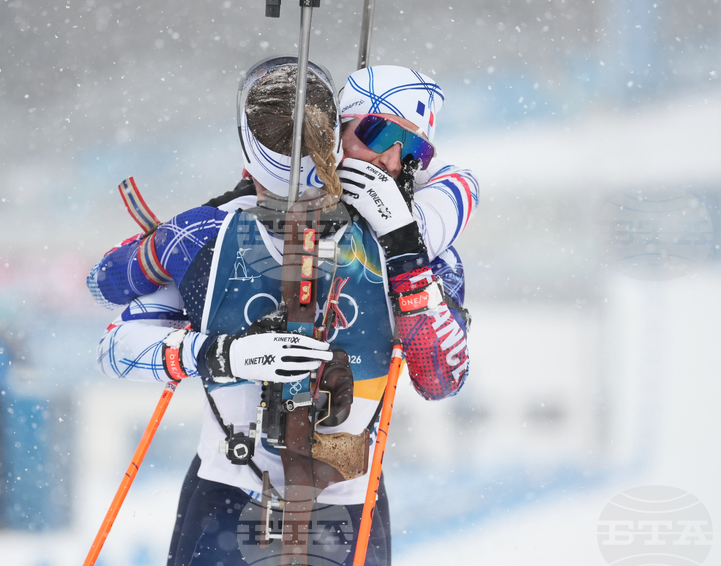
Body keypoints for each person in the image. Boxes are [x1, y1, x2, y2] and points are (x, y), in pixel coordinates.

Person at [87, 59, 478, 565]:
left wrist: (404, 248)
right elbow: (112, 336)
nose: (392, 161)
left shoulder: (421, 244)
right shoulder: (215, 232)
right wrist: (222, 355)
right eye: (378, 134)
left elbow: (442, 378)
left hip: (348, 506)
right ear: (336, 133)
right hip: (228, 492)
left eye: (414, 151)